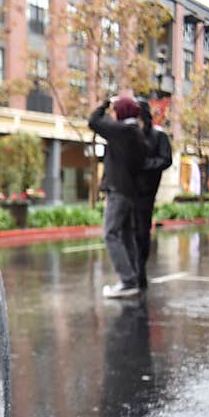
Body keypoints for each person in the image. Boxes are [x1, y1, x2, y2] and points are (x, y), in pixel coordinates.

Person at [88, 96, 148, 299]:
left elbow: (93, 122)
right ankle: (133, 279)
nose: (112, 114)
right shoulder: (136, 133)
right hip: (130, 192)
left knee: (110, 234)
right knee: (126, 236)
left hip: (119, 191)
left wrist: (105, 103)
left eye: (116, 111)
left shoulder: (123, 131)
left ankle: (127, 281)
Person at [133, 98, 173, 289]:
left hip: (146, 191)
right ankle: (132, 270)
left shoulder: (159, 135)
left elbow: (166, 160)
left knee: (141, 231)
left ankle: (139, 269)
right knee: (128, 232)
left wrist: (146, 166)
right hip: (127, 189)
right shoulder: (130, 133)